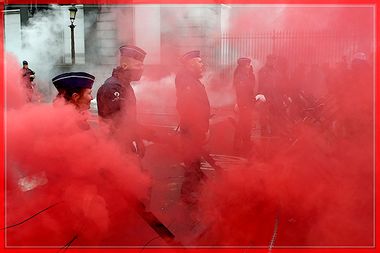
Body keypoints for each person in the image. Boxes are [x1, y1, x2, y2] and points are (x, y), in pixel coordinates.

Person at [97, 45, 146, 158]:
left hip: (125, 145)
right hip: (116, 149)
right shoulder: (112, 87)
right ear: (124, 66)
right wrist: (129, 146)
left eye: (142, 66)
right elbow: (115, 123)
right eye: (138, 65)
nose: (141, 69)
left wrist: (137, 139)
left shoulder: (125, 85)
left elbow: (129, 118)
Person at [175, 50, 210, 206]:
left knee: (194, 160)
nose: (203, 64)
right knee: (191, 161)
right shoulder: (187, 80)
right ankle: (188, 194)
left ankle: (196, 186)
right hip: (192, 129)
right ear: (190, 64)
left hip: (195, 128)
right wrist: (199, 127)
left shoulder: (192, 79)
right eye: (199, 61)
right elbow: (187, 106)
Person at [233, 57, 256, 155]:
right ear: (242, 66)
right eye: (247, 64)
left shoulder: (248, 75)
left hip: (247, 103)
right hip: (244, 103)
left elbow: (251, 89)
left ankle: (242, 143)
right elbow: (242, 92)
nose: (249, 66)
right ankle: (241, 144)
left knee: (245, 124)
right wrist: (242, 104)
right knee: (244, 124)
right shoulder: (240, 77)